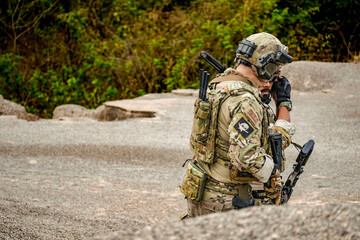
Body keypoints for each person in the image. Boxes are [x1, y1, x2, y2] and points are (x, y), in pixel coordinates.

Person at [180, 32, 296, 217]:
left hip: (201, 189)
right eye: (275, 68)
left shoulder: (218, 86)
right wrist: (273, 174)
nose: (276, 75)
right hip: (225, 200)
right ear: (266, 66)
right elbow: (245, 156)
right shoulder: (246, 100)